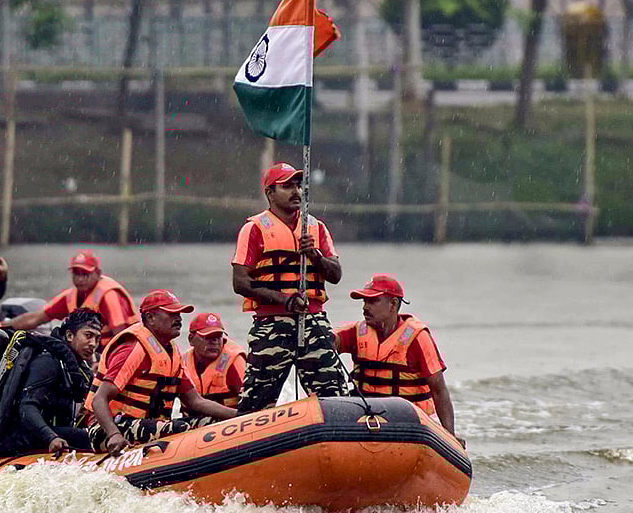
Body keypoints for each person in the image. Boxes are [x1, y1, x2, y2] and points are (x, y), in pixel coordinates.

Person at [230, 162, 347, 413]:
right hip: (272, 324)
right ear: (270, 193)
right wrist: (284, 299)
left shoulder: (316, 227)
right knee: (256, 401)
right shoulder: (254, 229)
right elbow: (240, 282)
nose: (296, 191)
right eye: (287, 186)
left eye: (298, 185)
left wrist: (314, 255)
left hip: (313, 320)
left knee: (335, 396)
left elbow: (336, 275)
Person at [83, 289, 238, 455]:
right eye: (172, 314)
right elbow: (99, 399)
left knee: (211, 422)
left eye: (179, 314)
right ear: (150, 318)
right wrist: (113, 434)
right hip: (108, 428)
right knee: (184, 428)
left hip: (144, 425)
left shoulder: (173, 354)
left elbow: (196, 402)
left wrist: (239, 415)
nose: (178, 319)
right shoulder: (133, 348)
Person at [333, 273, 461, 444]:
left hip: (409, 423)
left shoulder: (417, 337)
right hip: (365, 420)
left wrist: (449, 436)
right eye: (364, 301)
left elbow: (439, 390)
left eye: (372, 301)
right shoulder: (357, 332)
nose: (365, 307)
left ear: (393, 304)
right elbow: (331, 339)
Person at [0, 308, 101, 457]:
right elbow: (26, 406)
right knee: (85, 438)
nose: (93, 344)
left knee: (90, 434)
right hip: (16, 438)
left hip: (47, 433)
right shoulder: (48, 362)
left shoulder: (78, 370)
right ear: (70, 335)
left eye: (97, 339)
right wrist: (51, 437)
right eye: (88, 336)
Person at [1, 250, 138, 346]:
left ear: (98, 273)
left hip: (112, 353)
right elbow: (37, 318)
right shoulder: (71, 296)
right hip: (92, 353)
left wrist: (107, 362)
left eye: (85, 274)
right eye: (76, 273)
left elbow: (122, 337)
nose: (79, 279)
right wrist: (1, 328)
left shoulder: (109, 295)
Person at [181, 312, 246, 417]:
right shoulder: (182, 363)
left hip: (230, 425)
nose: (214, 341)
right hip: (191, 426)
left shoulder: (234, 361)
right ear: (191, 339)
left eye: (218, 336)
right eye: (208, 337)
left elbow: (252, 403)